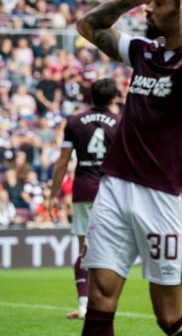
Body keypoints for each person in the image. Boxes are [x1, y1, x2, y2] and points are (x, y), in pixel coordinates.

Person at [76, 0, 182, 335]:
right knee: (99, 300)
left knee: (169, 317)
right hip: (114, 185)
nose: (148, 10)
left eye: (158, 4)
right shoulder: (145, 51)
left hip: (165, 193)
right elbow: (88, 27)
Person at [48, 78, 120, 320]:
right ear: (113, 99)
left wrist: (52, 195)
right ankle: (104, 304)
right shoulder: (119, 123)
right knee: (110, 250)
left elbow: (62, 163)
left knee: (84, 250)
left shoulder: (75, 121)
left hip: (85, 190)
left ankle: (84, 305)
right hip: (111, 192)